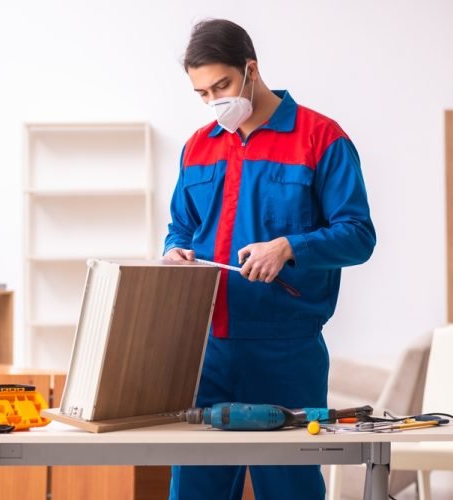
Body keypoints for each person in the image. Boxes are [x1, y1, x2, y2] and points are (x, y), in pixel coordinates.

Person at [163, 19, 376, 499]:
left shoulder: (321, 138)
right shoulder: (198, 147)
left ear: (250, 70)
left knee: (291, 490)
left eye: (222, 85)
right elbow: (181, 226)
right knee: (196, 490)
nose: (214, 100)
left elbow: (358, 235)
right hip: (206, 352)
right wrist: (173, 251)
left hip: (286, 352)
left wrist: (290, 247)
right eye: (201, 92)